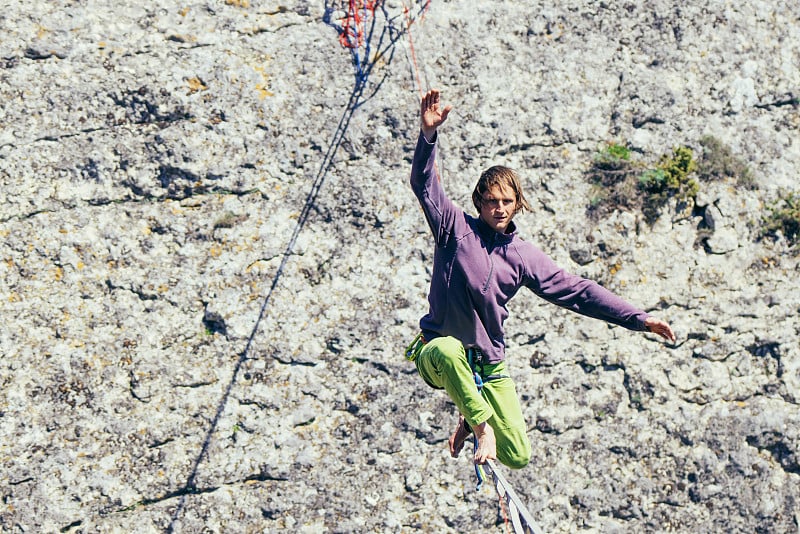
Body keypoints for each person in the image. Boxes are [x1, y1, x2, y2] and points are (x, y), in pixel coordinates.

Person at [406, 89, 677, 469]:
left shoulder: (522, 256)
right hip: (437, 351)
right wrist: (428, 135)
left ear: (517, 204)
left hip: (487, 363)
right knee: (450, 351)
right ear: (479, 203)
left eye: (506, 201)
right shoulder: (453, 227)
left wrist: (638, 318)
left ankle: (471, 413)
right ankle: (480, 424)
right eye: (491, 201)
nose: (499, 208)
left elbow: (578, 292)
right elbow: (423, 183)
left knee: (516, 455)